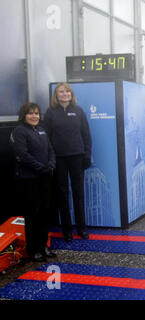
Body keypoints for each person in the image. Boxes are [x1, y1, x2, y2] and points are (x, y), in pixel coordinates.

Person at [43, 82, 92, 242]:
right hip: (59, 159)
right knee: (62, 194)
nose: (64, 94)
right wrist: (50, 159)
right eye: (61, 92)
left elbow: (86, 135)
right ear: (56, 96)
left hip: (77, 157)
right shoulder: (50, 113)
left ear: (71, 94)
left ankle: (82, 228)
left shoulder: (78, 111)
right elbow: (47, 139)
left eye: (67, 91)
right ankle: (67, 230)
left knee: (79, 193)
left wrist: (87, 155)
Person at [10, 102, 57, 262]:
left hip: (44, 178)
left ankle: (44, 246)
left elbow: (51, 150)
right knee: (32, 215)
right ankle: (33, 249)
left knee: (45, 213)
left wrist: (51, 165)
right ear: (24, 115)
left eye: (36, 113)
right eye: (30, 113)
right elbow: (22, 155)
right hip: (28, 180)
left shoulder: (42, 130)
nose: (34, 116)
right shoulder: (19, 131)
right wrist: (40, 168)